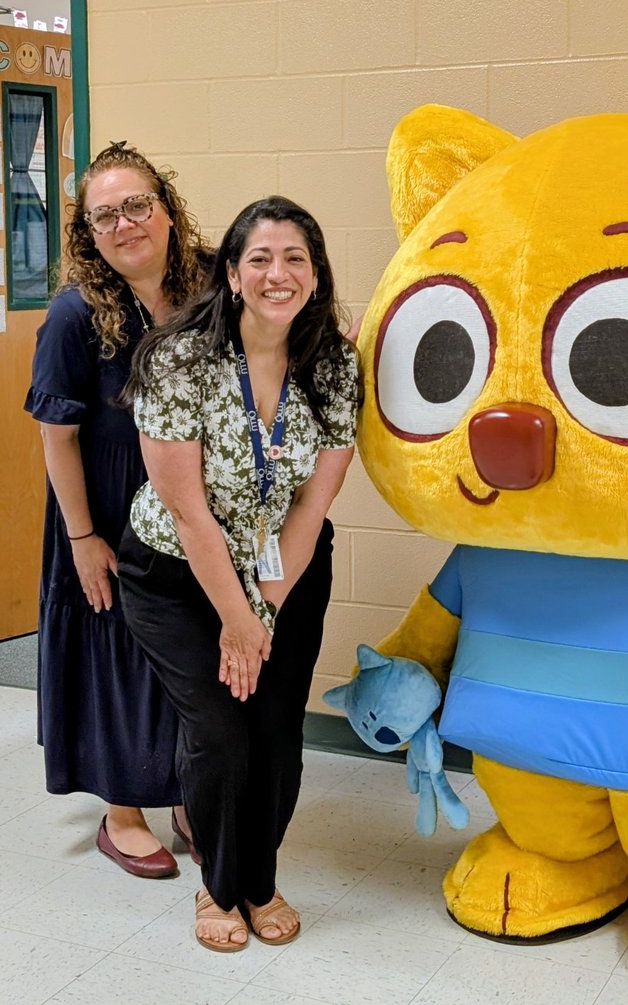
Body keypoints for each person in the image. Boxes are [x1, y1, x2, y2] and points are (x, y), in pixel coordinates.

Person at [118, 196, 360, 952]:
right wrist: (237, 619)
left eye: (294, 258)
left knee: (276, 726)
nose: (277, 273)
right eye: (259, 258)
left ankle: (260, 879)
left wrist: (263, 609)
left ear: (315, 276)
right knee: (220, 730)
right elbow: (187, 512)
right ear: (231, 273)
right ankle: (218, 887)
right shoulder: (177, 358)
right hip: (174, 572)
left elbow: (318, 495)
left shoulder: (335, 362)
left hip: (285, 565)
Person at [24, 141, 209, 877]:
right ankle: (122, 811)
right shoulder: (74, 316)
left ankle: (186, 796)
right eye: (106, 215)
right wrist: (83, 537)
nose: (126, 223)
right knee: (114, 656)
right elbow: (56, 437)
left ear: (165, 208)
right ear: (89, 235)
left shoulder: (205, 289)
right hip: (101, 508)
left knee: (186, 654)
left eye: (137, 205)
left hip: (187, 504)